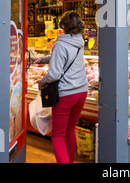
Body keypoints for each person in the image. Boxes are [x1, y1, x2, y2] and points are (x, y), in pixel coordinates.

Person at [37, 11, 88, 163]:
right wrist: (44, 58)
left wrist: (41, 82)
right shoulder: (79, 41)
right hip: (82, 92)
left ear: (64, 26)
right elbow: (66, 59)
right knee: (70, 130)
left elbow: (54, 75)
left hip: (66, 94)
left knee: (58, 135)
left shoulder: (60, 44)